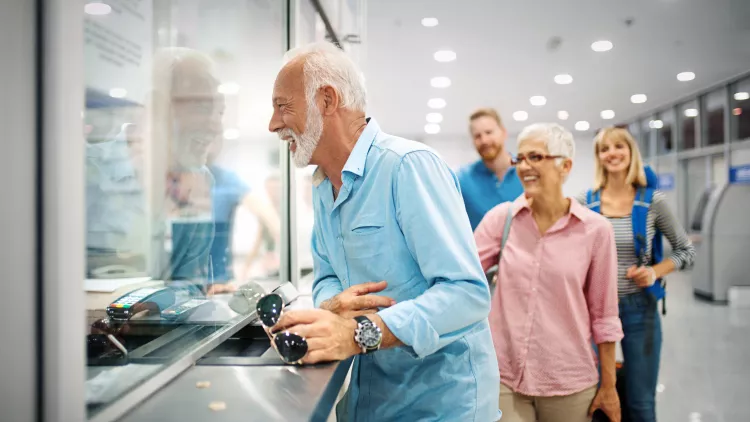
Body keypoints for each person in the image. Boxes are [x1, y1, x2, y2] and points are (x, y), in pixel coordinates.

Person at [266, 41, 500, 422]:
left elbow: (467, 295)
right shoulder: (325, 186)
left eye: (282, 106)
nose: (273, 124)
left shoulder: (408, 167)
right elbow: (326, 277)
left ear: (327, 100)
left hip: (439, 408)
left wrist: (359, 333)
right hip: (368, 404)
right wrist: (333, 304)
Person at [474, 123, 624, 422]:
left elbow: (604, 315)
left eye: (536, 157)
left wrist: (609, 386)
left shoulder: (596, 231)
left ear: (565, 165)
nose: (524, 166)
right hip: (504, 375)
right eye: (520, 159)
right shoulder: (502, 219)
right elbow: (461, 277)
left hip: (568, 381)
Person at [576, 127, 696, 422]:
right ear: (598, 157)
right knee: (591, 397)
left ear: (631, 153)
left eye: (619, 146)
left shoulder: (652, 201)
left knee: (641, 402)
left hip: (639, 309)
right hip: (592, 312)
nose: (612, 153)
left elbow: (686, 251)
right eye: (605, 148)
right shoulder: (584, 203)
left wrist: (654, 272)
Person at [457, 108, 524, 230]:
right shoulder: (462, 180)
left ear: (503, 132)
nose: (484, 140)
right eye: (477, 136)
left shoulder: (528, 172)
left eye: (488, 132)